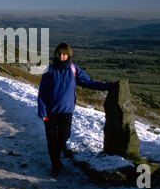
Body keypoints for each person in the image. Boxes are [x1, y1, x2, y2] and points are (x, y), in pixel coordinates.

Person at [38, 42, 114, 177]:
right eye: (59, 53)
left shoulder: (73, 69)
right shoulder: (49, 70)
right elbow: (42, 93)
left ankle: (58, 158)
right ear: (55, 54)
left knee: (63, 138)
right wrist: (42, 112)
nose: (61, 56)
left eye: (64, 54)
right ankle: (56, 166)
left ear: (68, 55)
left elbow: (88, 82)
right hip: (51, 112)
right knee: (52, 140)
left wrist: (106, 86)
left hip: (66, 112)